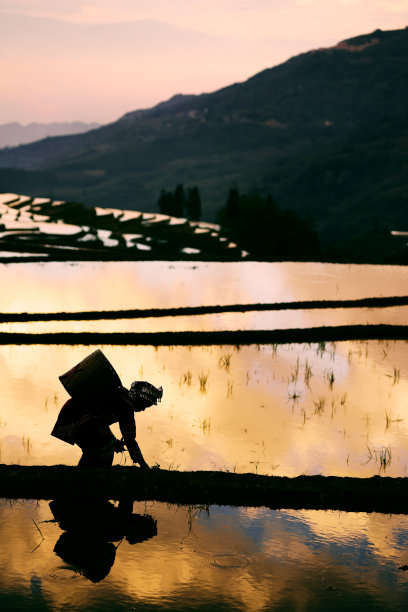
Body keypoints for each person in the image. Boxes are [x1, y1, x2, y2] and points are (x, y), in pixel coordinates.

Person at [51, 381, 162, 468]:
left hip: (73, 415)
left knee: (101, 446)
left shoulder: (121, 395)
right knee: (105, 447)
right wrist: (144, 465)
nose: (143, 409)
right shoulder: (126, 406)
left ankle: (86, 474)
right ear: (140, 399)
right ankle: (93, 478)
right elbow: (130, 440)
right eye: (145, 405)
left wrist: (115, 441)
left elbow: (100, 423)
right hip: (75, 418)